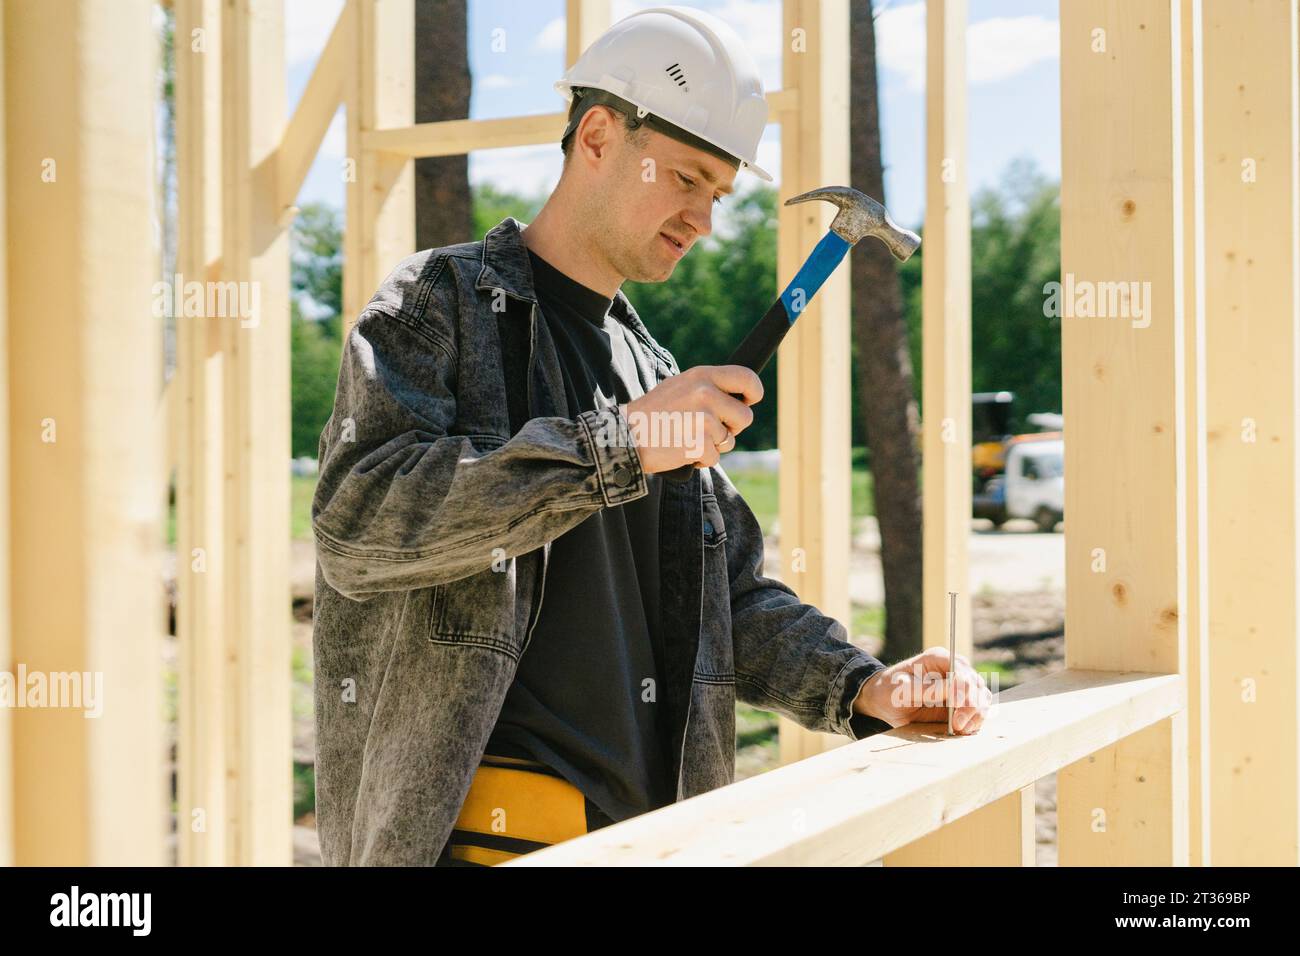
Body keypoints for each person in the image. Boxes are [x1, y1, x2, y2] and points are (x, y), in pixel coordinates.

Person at [310, 4, 991, 868]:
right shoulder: (439, 304)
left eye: (718, 192)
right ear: (597, 136)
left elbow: (730, 598)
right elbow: (358, 525)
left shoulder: (647, 365)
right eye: (685, 178)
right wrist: (619, 444)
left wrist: (863, 686)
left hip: (655, 837)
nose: (703, 218)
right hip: (483, 840)